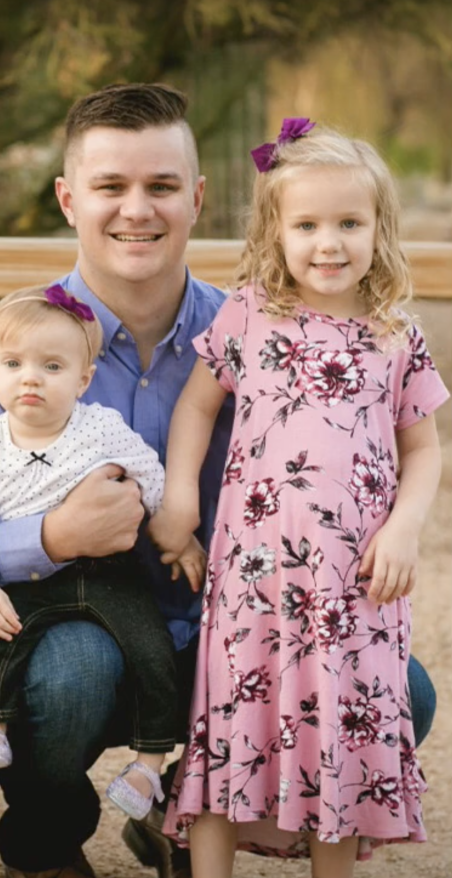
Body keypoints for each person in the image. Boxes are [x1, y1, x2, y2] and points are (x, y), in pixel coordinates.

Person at [0, 85, 438, 878]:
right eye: (111, 187)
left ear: (200, 198)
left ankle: (179, 813)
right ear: (69, 199)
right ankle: (48, 835)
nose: (136, 210)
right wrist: (46, 540)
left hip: (237, 631)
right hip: (75, 643)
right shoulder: (10, 356)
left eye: (162, 186)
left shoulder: (255, 323)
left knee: (401, 694)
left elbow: (403, 438)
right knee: (74, 669)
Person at [150, 120, 448, 878]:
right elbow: (195, 408)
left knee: (342, 739)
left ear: (379, 230)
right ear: (274, 231)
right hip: (256, 580)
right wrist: (180, 494)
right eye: (307, 224)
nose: (329, 243)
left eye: (349, 223)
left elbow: (423, 446)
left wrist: (406, 529)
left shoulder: (395, 335)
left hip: (357, 585)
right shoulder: (250, 314)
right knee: (231, 728)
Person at [0, 285, 205, 819]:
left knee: (150, 649)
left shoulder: (99, 425)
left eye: (53, 366)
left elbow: (148, 469)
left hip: (109, 572)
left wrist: (174, 531)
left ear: (83, 379)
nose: (31, 377)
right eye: (13, 364)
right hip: (30, 578)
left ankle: (148, 766)